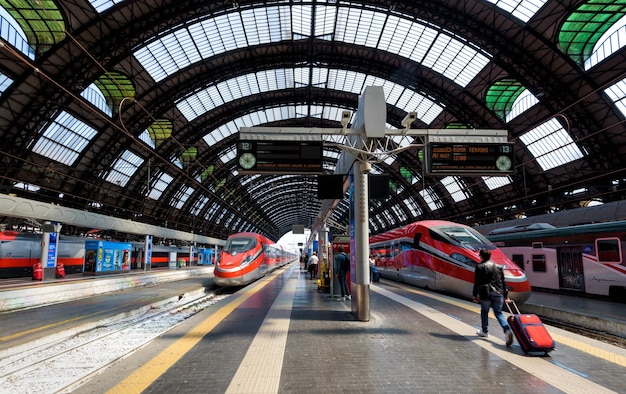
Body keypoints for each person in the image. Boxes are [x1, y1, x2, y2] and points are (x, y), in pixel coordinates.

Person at [472, 248, 513, 346]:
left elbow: (477, 282)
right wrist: (506, 296)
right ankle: (507, 331)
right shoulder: (499, 267)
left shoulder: (480, 266)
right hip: (499, 293)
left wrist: (474, 295)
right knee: (498, 313)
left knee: (484, 311)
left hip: (486, 293)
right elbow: (503, 282)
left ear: (481, 256)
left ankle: (484, 331)